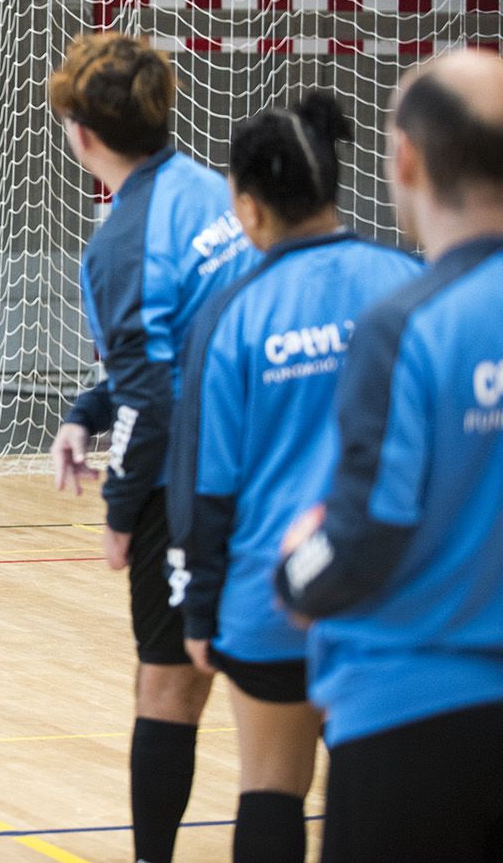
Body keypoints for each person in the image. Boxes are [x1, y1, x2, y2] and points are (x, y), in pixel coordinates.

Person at [166, 92, 421, 862]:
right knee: (376, 794)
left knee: (270, 785)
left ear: (247, 206)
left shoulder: (231, 316)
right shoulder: (411, 281)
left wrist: (199, 610)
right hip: (390, 594)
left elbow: (206, 484)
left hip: (269, 599)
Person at [276, 51, 503, 862]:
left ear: (404, 158)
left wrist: (297, 571)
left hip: (411, 721)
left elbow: (371, 528)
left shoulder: (408, 324)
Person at [46, 32, 259, 863]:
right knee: (275, 687)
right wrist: (84, 408)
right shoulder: (218, 193)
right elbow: (186, 346)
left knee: (168, 684)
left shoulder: (120, 245)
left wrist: (122, 511)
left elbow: (159, 398)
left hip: (197, 479)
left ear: (83, 134)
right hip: (279, 455)